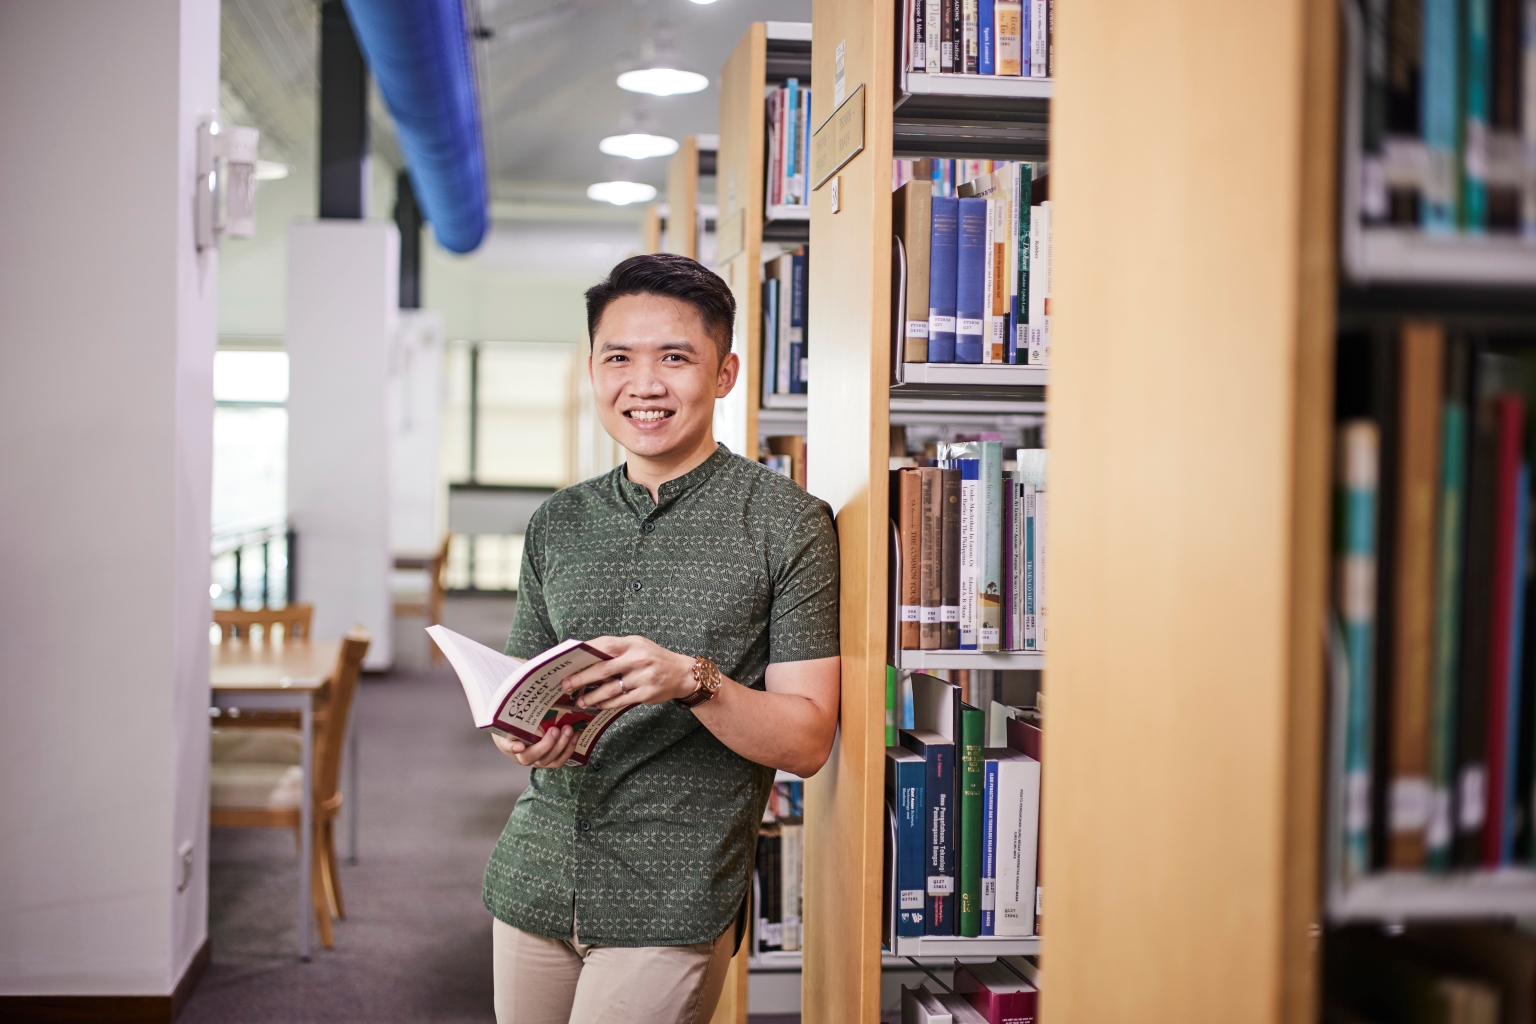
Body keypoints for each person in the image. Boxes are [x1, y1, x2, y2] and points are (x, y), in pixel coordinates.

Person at [485, 253, 842, 1024]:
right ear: (592, 370)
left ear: (724, 374)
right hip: (536, 874)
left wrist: (692, 680)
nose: (643, 385)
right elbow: (517, 691)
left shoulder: (789, 524)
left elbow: (809, 741)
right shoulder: (559, 522)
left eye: (675, 358)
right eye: (619, 358)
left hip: (671, 893)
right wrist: (523, 736)